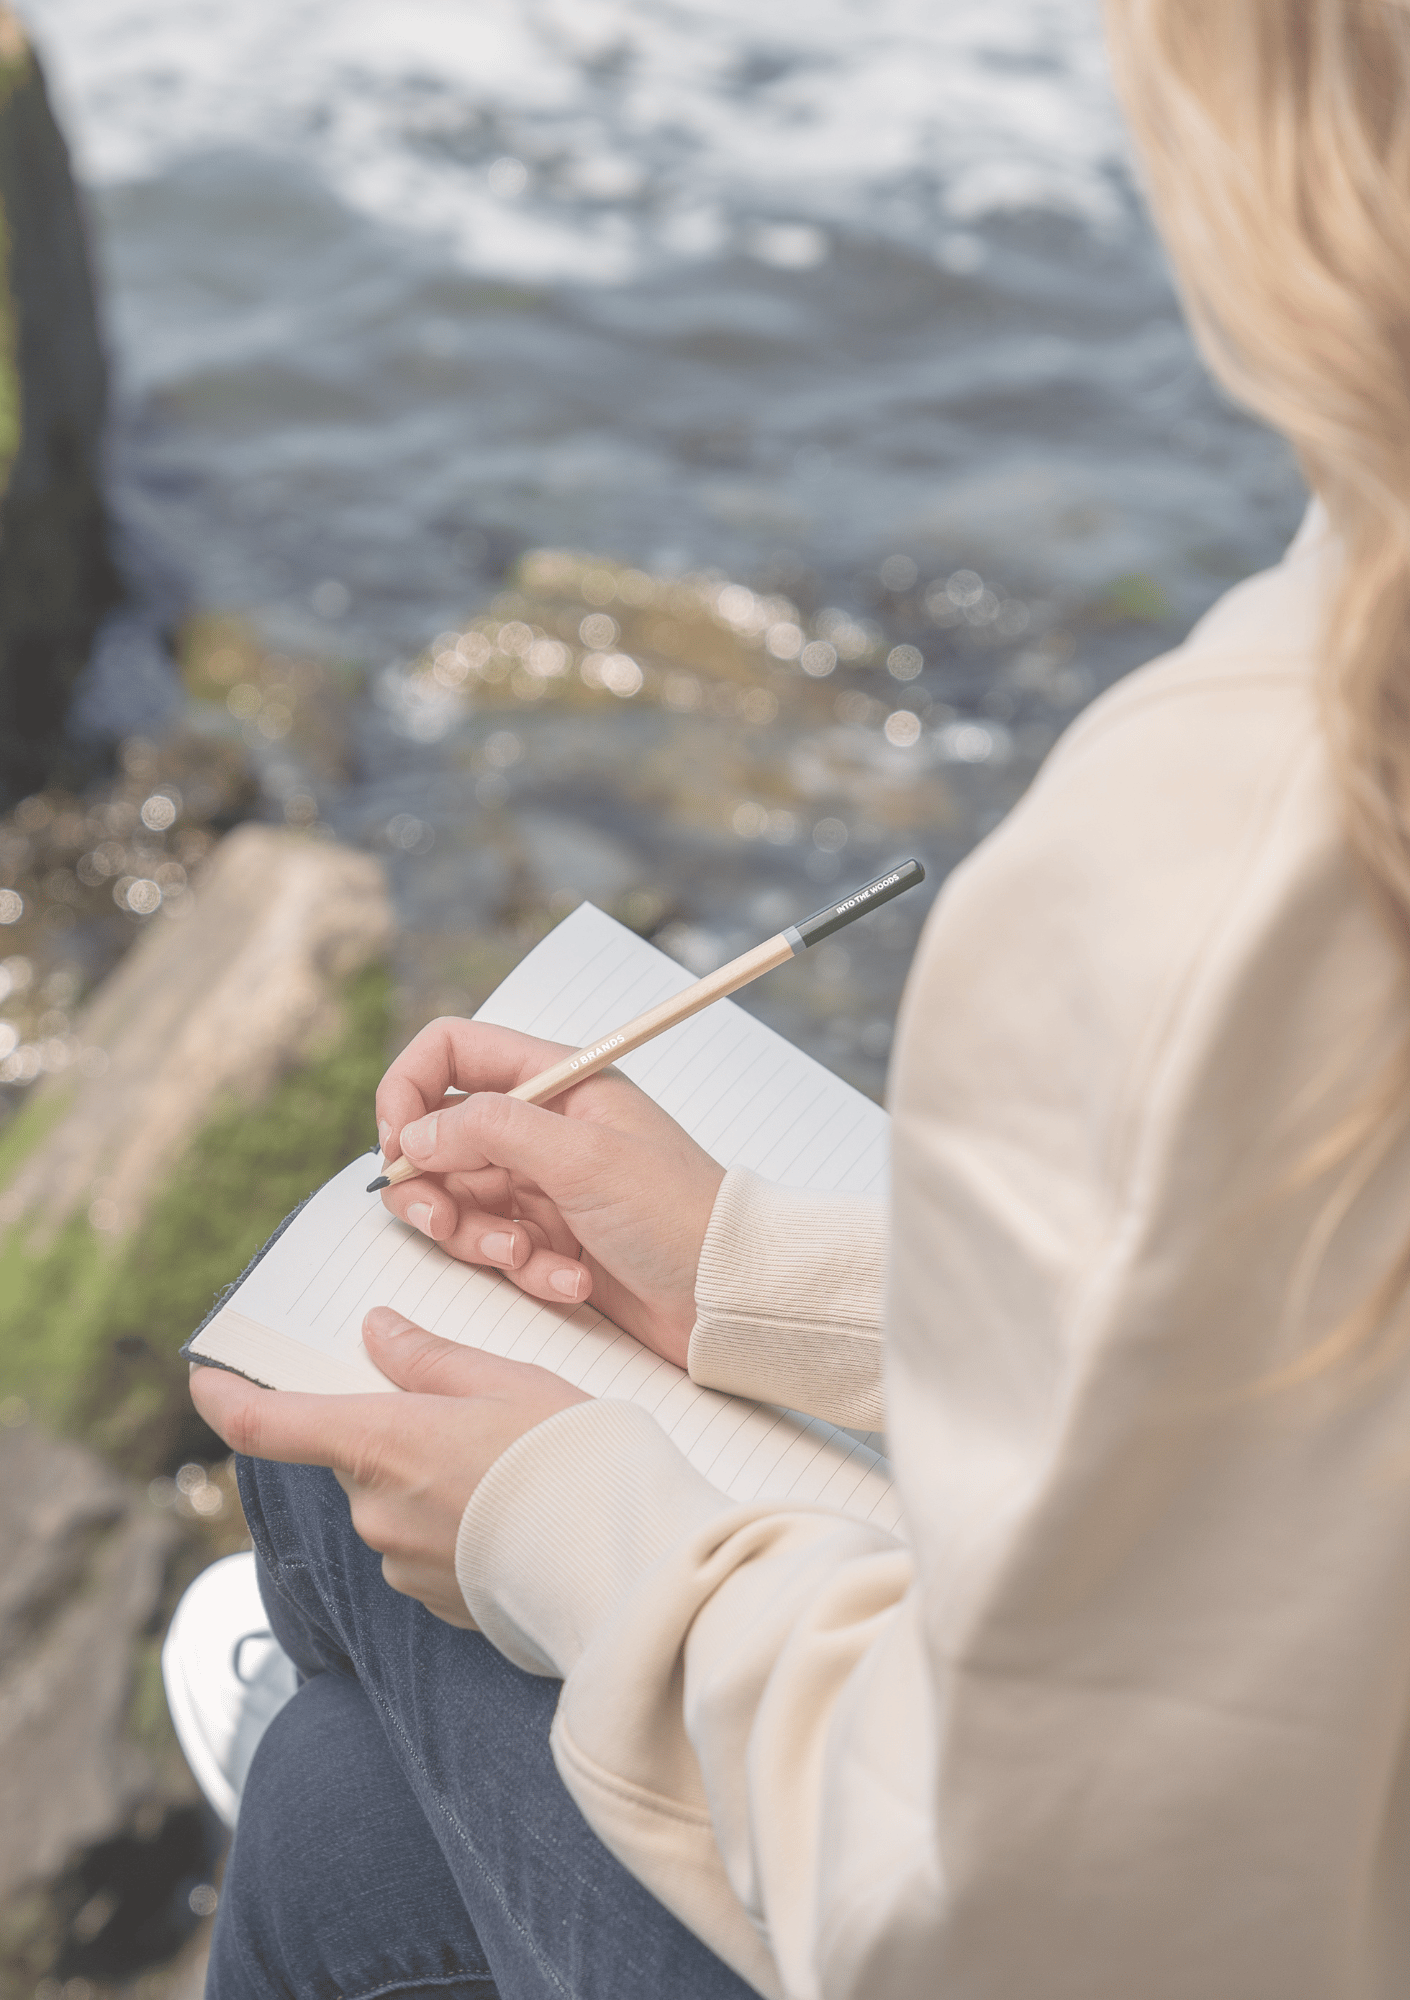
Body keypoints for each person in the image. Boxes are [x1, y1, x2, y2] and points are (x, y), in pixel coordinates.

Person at [189, 4, 1410, 1995]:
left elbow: (1040, 1926)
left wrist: (578, 1527)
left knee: (332, 1513)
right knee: (339, 1817)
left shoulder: (1253, 826)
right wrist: (753, 1275)